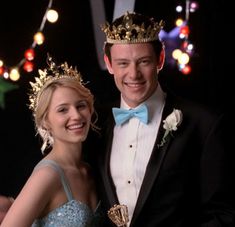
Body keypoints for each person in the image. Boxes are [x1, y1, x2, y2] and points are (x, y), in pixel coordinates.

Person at [92, 11, 235, 226]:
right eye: (122, 63)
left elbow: (222, 214)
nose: (133, 74)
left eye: (143, 62)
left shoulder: (204, 124)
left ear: (160, 59)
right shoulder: (94, 124)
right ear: (109, 64)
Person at [0, 56, 102, 227]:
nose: (76, 115)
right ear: (45, 121)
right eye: (63, 110)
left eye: (81, 105)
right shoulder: (47, 175)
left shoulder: (90, 170)